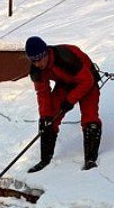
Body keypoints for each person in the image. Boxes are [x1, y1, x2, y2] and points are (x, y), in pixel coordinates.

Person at [24, 36, 102, 172]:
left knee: (90, 117)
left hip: (87, 81)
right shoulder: (37, 70)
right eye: (33, 61)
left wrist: (70, 100)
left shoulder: (65, 58)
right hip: (65, 83)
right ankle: (45, 160)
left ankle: (90, 160)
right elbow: (42, 93)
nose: (38, 64)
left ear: (46, 53)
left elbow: (87, 81)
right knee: (49, 118)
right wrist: (45, 117)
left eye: (40, 59)